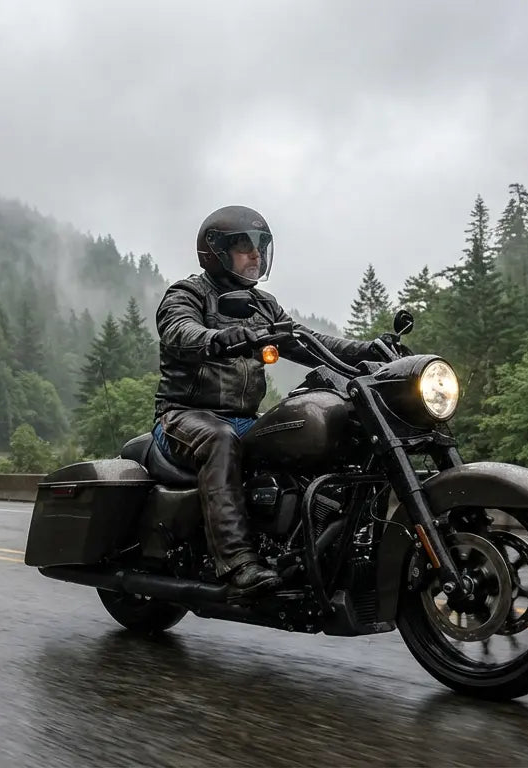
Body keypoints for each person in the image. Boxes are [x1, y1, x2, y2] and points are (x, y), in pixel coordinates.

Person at [151, 205, 396, 597]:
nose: (255, 254)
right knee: (220, 439)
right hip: (184, 417)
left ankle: (308, 551)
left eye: (260, 246)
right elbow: (179, 330)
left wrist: (368, 350)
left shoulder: (263, 305)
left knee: (320, 435)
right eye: (243, 246)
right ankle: (237, 563)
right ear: (215, 252)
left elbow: (307, 341)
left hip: (244, 418)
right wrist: (216, 337)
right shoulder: (188, 294)